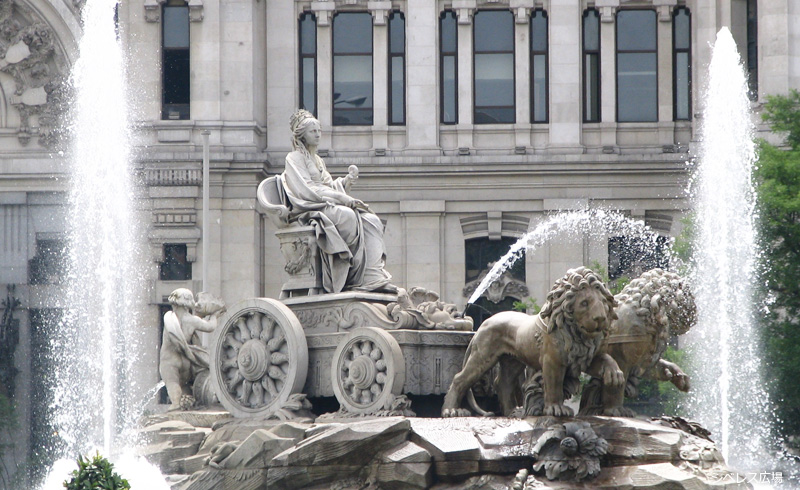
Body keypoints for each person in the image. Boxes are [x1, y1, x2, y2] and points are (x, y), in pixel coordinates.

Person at [278, 109, 394, 294]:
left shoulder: (317, 160)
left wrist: (345, 182)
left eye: (319, 131)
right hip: (311, 208)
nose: (317, 135)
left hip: (326, 204)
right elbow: (308, 190)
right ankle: (351, 277)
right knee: (348, 216)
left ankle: (371, 275)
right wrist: (342, 198)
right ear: (302, 135)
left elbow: (328, 185)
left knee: (371, 220)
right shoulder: (294, 158)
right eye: (312, 131)